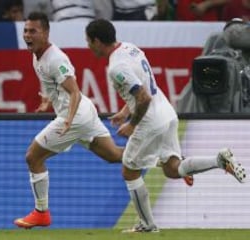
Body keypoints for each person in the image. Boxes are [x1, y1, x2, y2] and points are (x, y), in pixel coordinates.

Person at [85, 19, 246, 233]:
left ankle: (147, 225)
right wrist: (124, 112)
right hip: (167, 113)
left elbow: (143, 97)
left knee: (129, 171)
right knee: (173, 168)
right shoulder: (130, 48)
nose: (88, 46)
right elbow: (144, 87)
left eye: (89, 42)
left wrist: (132, 124)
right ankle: (219, 160)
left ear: (97, 41)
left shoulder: (116, 67)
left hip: (149, 120)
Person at [13, 12, 124, 229]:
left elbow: (74, 91)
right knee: (114, 155)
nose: (27, 35)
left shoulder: (56, 59)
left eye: (33, 31)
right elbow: (53, 86)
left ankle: (41, 212)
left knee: (32, 157)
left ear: (45, 33)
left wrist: (68, 120)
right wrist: (47, 101)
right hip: (84, 112)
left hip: (75, 116)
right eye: (25, 30)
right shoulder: (37, 56)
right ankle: (161, 156)